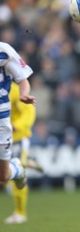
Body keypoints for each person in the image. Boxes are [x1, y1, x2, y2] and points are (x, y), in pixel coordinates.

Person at [0, 42, 35, 198]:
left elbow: (22, 79)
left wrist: (23, 94)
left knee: (3, 177)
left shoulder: (4, 51)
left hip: (1, 120)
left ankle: (16, 168)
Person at [4, 82, 37, 224]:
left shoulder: (15, 90)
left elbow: (29, 111)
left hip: (18, 138)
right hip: (3, 139)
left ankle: (20, 213)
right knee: (4, 178)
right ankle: (25, 163)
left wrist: (17, 126)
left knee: (14, 177)